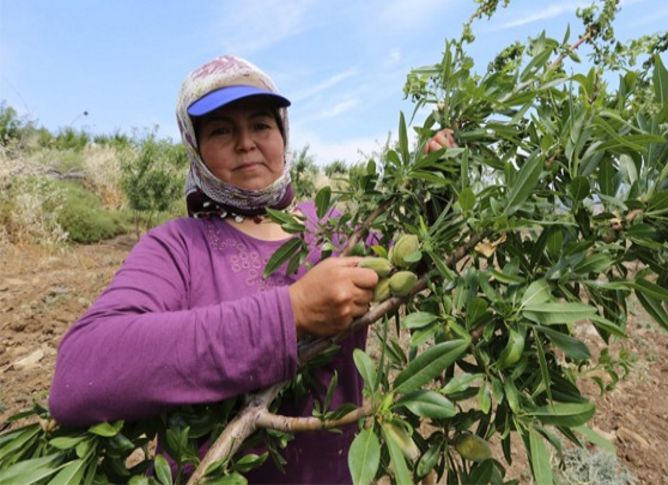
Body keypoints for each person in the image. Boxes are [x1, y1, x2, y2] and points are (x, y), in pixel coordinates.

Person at [50, 55, 455, 483]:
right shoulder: (178, 246)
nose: (246, 143)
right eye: (222, 130)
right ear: (195, 147)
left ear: (283, 134)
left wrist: (437, 191)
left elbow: (412, 264)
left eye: (261, 125)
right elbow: (80, 373)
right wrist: (290, 314)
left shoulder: (337, 230)